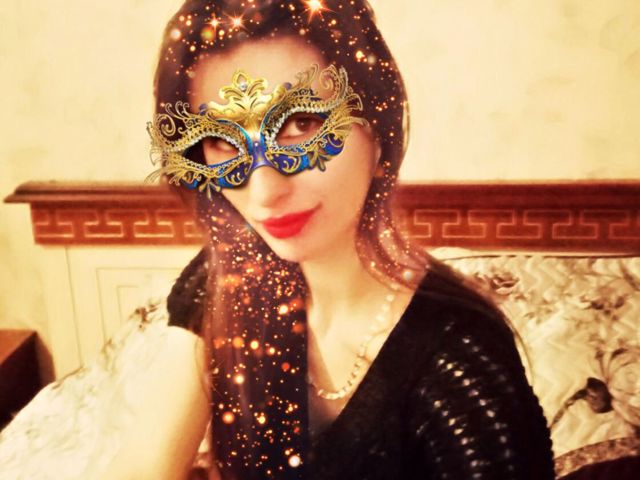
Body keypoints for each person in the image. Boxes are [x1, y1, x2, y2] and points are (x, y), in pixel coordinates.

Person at [0, 1, 555, 479]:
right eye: (222, 142)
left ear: (376, 125)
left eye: (302, 126)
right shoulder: (231, 275)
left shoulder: (461, 367)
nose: (264, 191)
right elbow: (146, 466)